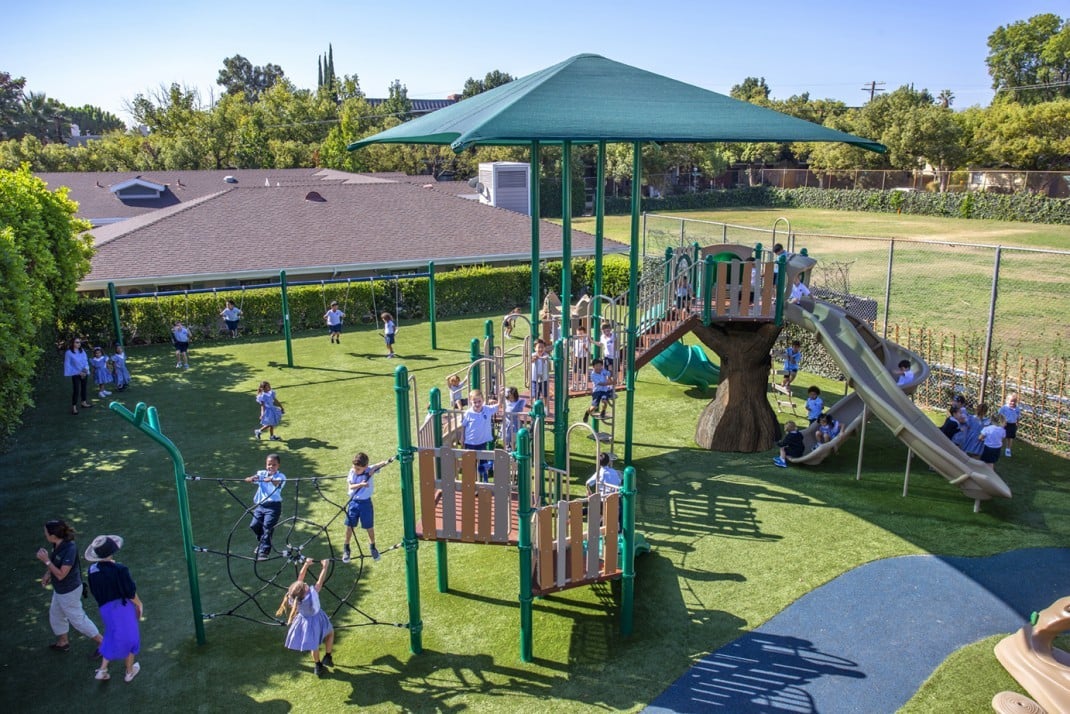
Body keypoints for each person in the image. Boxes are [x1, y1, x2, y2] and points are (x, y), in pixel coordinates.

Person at [36, 519, 104, 657]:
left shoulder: (69, 548)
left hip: (68, 591)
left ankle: (103, 643)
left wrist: (46, 561)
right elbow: (55, 562)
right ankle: (63, 642)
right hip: (60, 590)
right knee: (56, 614)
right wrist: (48, 574)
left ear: (53, 536)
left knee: (78, 620)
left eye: (46, 532)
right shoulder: (57, 544)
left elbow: (61, 574)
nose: (45, 534)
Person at [85, 535, 143, 683]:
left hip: (105, 609)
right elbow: (130, 592)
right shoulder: (120, 569)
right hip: (121, 608)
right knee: (132, 639)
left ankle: (103, 670)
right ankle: (129, 672)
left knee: (111, 634)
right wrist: (139, 604)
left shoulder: (92, 570)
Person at [276, 558, 335, 677]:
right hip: (318, 618)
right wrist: (325, 566)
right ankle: (328, 656)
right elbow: (320, 581)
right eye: (305, 586)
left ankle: (317, 665)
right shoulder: (311, 595)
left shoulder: (293, 597)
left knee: (314, 645)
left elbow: (300, 579)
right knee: (330, 634)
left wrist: (306, 565)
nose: (306, 584)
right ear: (305, 590)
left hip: (304, 622)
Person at [342, 452, 391, 564]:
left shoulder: (369, 470)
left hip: (366, 504)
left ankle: (373, 547)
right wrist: (361, 484)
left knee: (369, 527)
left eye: (358, 469)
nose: (355, 470)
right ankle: (346, 548)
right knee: (349, 527)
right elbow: (351, 486)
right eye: (355, 467)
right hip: (354, 503)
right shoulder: (352, 472)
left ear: (365, 467)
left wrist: (388, 460)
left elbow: (379, 465)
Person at [245, 454, 286, 560]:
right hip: (260, 505)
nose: (271, 467)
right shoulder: (262, 473)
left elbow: (278, 483)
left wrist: (271, 480)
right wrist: (251, 479)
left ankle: (264, 552)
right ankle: (262, 543)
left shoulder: (280, 476)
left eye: (274, 465)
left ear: (278, 466)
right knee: (254, 525)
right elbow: (255, 478)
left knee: (267, 527)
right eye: (269, 464)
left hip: (273, 506)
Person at [461, 389, 500, 482]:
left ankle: (484, 482)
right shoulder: (468, 413)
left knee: (483, 463)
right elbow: (463, 425)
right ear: (471, 402)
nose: (477, 404)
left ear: (483, 400)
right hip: (470, 442)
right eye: (475, 402)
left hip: (482, 442)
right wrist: (462, 437)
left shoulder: (487, 409)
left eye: (479, 401)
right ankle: (471, 483)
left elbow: (498, 406)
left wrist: (501, 397)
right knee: (470, 464)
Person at [63, 337, 92, 415]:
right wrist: (78, 372)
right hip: (75, 374)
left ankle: (84, 402)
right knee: (76, 390)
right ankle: (74, 407)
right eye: (77, 342)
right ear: (72, 343)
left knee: (84, 388)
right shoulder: (68, 353)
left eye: (79, 342)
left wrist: (85, 370)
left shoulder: (82, 351)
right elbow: (68, 365)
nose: (79, 344)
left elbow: (85, 361)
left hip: (84, 372)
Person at [500, 387, 526, 451]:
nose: (509, 396)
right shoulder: (506, 401)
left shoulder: (520, 402)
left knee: (514, 439)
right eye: (508, 395)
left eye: (511, 395)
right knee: (506, 438)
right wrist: (501, 393)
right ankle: (506, 451)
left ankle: (513, 451)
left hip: (515, 423)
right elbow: (500, 402)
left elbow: (520, 409)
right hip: (506, 423)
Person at [998, 392, 1021, 457]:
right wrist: (1002, 422)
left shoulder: (1017, 409)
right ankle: (998, 447)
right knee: (1002, 436)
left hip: (1012, 424)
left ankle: (1008, 449)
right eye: (1011, 401)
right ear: (1007, 401)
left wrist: (1017, 423)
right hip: (1005, 424)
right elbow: (1000, 414)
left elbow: (1018, 417)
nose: (1013, 403)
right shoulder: (1004, 408)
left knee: (1010, 438)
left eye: (1014, 401)